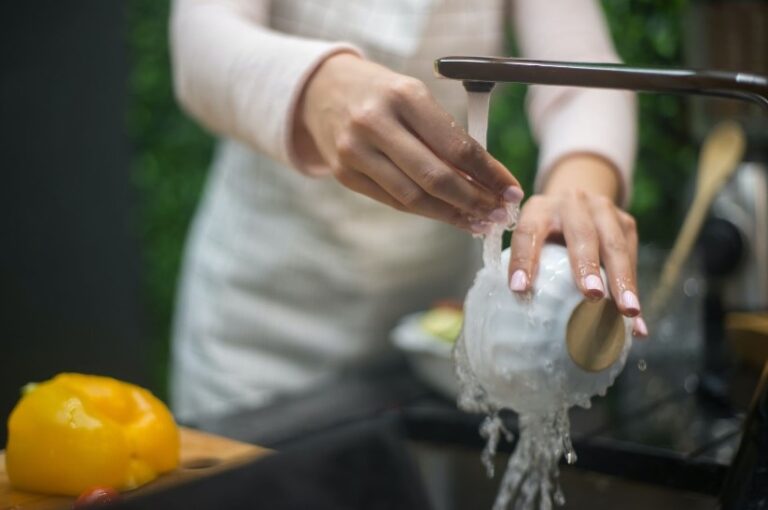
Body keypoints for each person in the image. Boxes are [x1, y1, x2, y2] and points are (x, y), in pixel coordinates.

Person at [169, 0, 644, 421]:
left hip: (440, 335)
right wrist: (319, 85)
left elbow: (583, 76)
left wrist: (580, 188)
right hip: (262, 331)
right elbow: (199, 42)